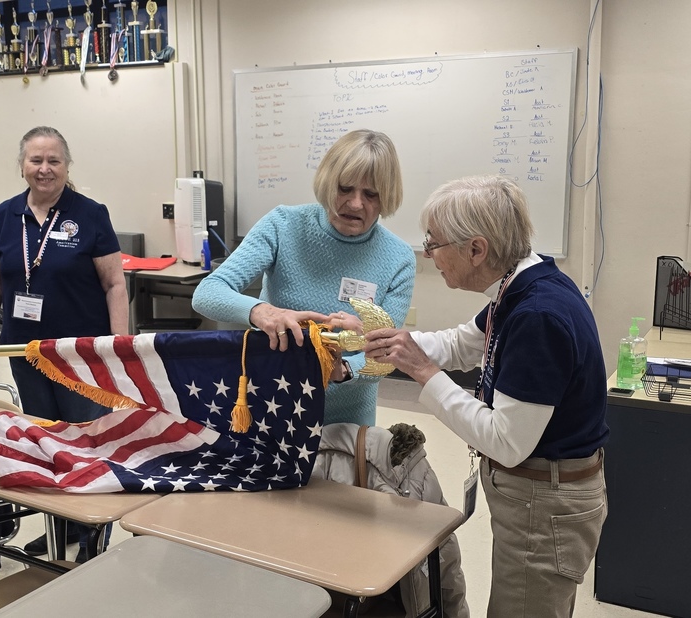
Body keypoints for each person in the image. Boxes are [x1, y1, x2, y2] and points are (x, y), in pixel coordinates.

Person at [358, 175, 608, 617]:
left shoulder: (538, 316)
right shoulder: (520, 283)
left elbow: (507, 442)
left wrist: (423, 372)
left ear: (476, 249)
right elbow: (462, 343)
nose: (429, 255)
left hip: (544, 504)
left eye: (433, 244)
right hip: (536, 494)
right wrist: (387, 341)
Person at [0, 126, 128, 561]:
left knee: (85, 444)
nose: (45, 168)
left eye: (54, 160)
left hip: (81, 356)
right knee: (48, 445)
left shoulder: (90, 214)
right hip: (26, 353)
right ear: (22, 166)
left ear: (67, 166)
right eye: (36, 160)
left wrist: (117, 348)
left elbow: (114, 284)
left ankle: (93, 532)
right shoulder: (4, 216)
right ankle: (62, 528)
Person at [192, 128, 416, 427]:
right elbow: (207, 292)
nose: (355, 204)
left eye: (371, 194)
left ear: (386, 196)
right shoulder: (284, 225)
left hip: (346, 420)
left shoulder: (398, 257)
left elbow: (384, 350)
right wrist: (262, 312)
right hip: (272, 405)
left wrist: (344, 370)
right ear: (327, 182)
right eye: (345, 188)